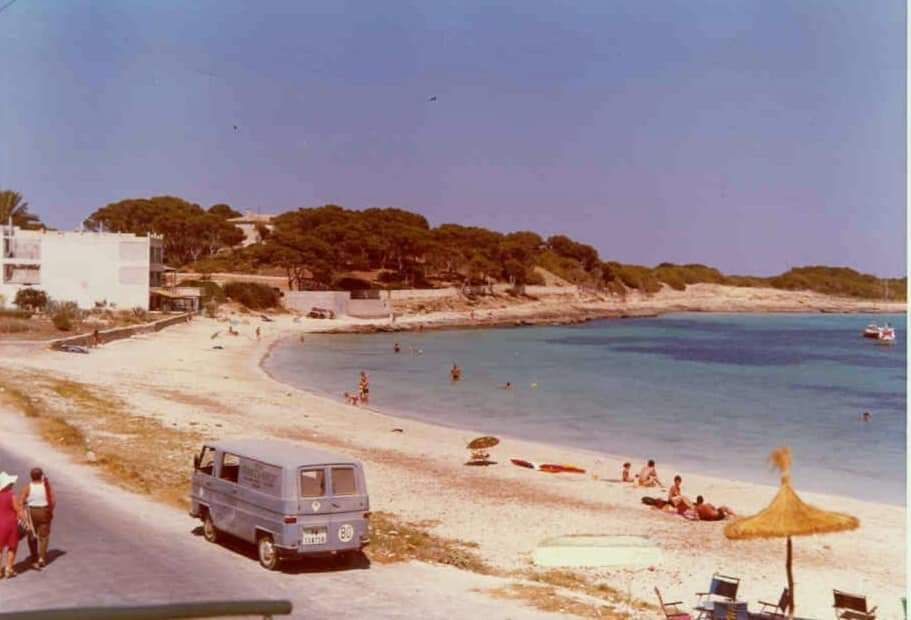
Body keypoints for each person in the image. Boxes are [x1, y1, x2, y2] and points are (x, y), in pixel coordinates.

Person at [19, 468, 54, 569]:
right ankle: (41, 557)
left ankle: (34, 557)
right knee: (44, 536)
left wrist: (22, 514)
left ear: (31, 476)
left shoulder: (28, 487)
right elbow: (53, 500)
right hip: (44, 511)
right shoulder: (46, 487)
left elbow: (21, 501)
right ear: (41, 475)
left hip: (31, 512)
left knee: (32, 534)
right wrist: (50, 511)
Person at [0, 471, 22, 578]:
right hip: (10, 525)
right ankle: (9, 568)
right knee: (12, 547)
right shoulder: (12, 496)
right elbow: (18, 510)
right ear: (7, 485)